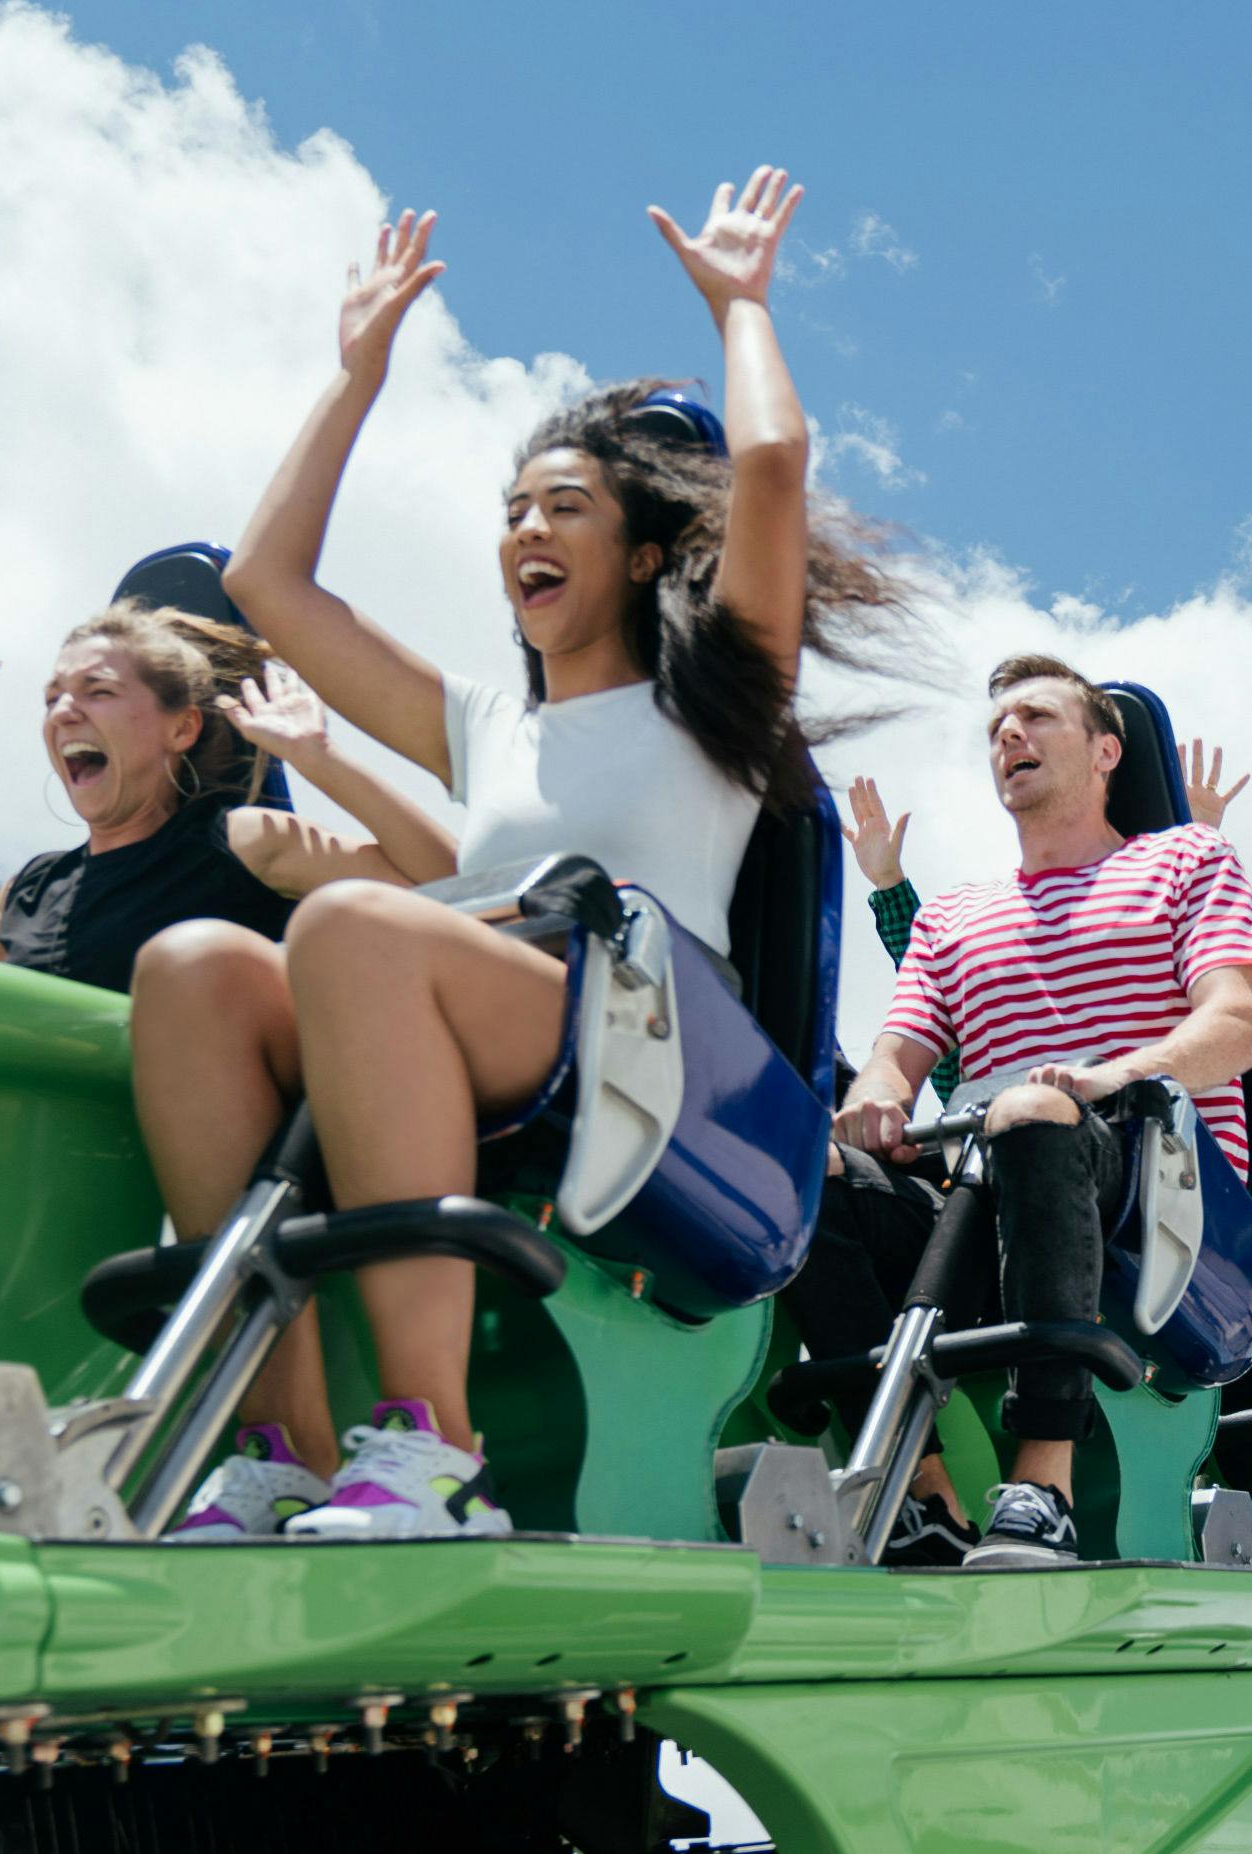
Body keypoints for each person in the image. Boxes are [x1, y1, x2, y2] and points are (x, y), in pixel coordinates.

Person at [131, 171, 914, 1543]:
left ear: (646, 551)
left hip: (657, 1063)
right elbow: (264, 586)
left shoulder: (714, 708)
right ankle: (285, 1447)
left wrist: (740, 308)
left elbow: (774, 469)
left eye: (561, 508)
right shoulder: (483, 723)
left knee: (355, 928)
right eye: (511, 512)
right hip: (472, 1014)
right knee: (193, 966)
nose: (523, 535)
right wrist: (355, 375)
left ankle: (433, 1448)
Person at [790, 657, 1252, 1571]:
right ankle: (926, 1497)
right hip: (995, 1197)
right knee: (808, 1168)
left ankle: (1043, 1486)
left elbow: (1237, 1023)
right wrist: (873, 1107)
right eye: (995, 729)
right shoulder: (950, 919)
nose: (1007, 737)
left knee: (1027, 1112)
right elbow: (894, 1062)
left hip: (1160, 1199)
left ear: (1106, 751)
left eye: (1035, 718)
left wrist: (1106, 1079)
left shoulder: (1184, 859)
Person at [0, 608, 456, 992]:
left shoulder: (241, 841)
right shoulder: (34, 892)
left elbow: (453, 885)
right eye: (52, 697)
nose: (65, 711)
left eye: (99, 690)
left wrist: (317, 757)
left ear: (181, 728)